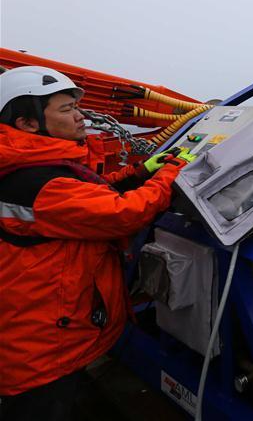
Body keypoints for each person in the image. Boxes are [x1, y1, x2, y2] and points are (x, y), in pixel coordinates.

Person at [0, 66, 192, 420]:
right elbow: (122, 214)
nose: (79, 116)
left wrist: (139, 173)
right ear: (27, 123)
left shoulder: (29, 167)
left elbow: (85, 198)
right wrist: (169, 174)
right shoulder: (39, 182)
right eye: (66, 109)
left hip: (33, 328)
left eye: (76, 106)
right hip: (41, 347)